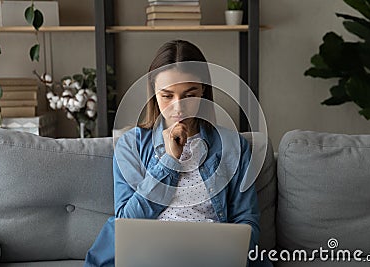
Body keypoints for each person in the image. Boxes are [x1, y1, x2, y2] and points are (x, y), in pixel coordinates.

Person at [84, 40, 269, 266]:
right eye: (167, 96)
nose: (178, 107)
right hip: (151, 255)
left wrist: (223, 253)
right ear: (153, 92)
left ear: (203, 89)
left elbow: (247, 221)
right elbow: (126, 223)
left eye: (189, 94)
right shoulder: (130, 145)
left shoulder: (234, 147)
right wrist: (169, 162)